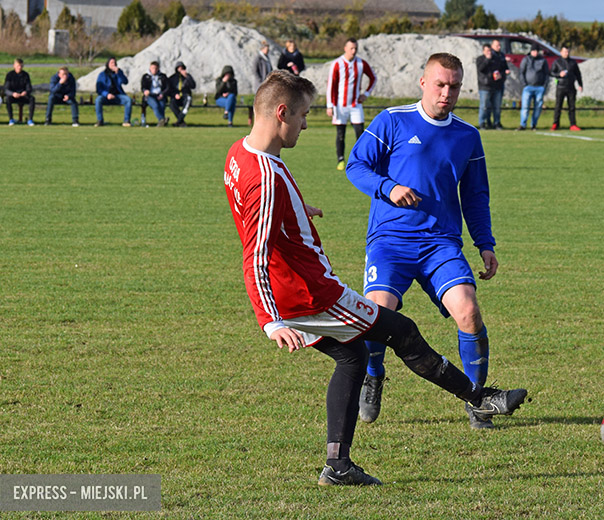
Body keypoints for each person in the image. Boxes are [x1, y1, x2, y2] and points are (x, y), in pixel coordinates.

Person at [223, 70, 529, 486]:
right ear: (281, 113)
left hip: (297, 289)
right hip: (310, 295)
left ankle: (338, 465)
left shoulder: (241, 154)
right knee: (402, 331)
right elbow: (255, 253)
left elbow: (250, 211)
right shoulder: (266, 178)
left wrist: (296, 211)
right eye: (304, 115)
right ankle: (481, 398)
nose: (307, 124)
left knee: (353, 357)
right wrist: (270, 320)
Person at [346, 53, 502, 430]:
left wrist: (485, 242)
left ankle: (476, 399)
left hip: (440, 244)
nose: (447, 93)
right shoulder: (392, 120)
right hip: (390, 241)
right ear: (423, 82)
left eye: (454, 86)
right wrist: (389, 187)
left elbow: (476, 196)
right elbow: (356, 166)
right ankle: (373, 374)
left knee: (468, 310)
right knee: (377, 313)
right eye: (440, 84)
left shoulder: (467, 135)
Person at [326, 38, 377, 170]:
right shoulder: (337, 64)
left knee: (360, 132)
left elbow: (373, 78)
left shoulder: (361, 64)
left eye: (355, 48)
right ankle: (340, 160)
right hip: (340, 105)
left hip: (355, 105)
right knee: (340, 134)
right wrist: (330, 105)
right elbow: (331, 85)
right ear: (345, 48)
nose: (354, 51)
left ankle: (360, 160)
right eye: (351, 48)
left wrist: (366, 94)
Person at [550, 45, 582, 131]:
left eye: (567, 51)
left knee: (572, 107)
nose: (566, 53)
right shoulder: (557, 62)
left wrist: (580, 84)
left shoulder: (573, 62)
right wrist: (559, 75)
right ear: (561, 52)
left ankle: (573, 124)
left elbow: (578, 74)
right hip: (560, 87)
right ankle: (555, 123)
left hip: (571, 87)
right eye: (564, 51)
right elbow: (551, 72)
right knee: (558, 106)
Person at [517, 44, 549, 130]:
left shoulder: (543, 60)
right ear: (531, 51)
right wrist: (524, 84)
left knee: (538, 107)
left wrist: (544, 86)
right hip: (528, 87)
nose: (535, 53)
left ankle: (533, 125)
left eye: (536, 51)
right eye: (533, 51)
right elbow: (521, 72)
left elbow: (546, 74)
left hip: (539, 88)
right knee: (525, 107)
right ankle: (523, 124)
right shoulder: (526, 60)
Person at [95, 57, 132, 127]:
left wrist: (119, 73)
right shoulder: (102, 75)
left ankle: (126, 121)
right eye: (111, 63)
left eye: (114, 63)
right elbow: (99, 89)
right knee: (98, 100)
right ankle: (100, 120)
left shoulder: (119, 73)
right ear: (108, 64)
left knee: (128, 100)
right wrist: (106, 94)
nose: (113, 64)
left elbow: (125, 82)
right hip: (106, 96)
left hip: (117, 96)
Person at [476, 44, 501, 129]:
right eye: (487, 51)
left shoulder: (496, 59)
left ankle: (496, 123)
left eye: (490, 51)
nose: (489, 52)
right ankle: (482, 123)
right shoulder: (480, 59)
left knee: (496, 107)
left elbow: (499, 69)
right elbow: (481, 69)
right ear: (483, 51)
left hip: (496, 86)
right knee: (484, 107)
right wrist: (487, 59)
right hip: (484, 86)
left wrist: (500, 75)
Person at [4, 58, 35, 126]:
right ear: (14, 66)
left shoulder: (25, 75)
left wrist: (26, 92)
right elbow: (6, 89)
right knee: (8, 99)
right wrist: (12, 93)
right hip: (13, 96)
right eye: (18, 66)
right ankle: (11, 119)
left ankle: (30, 120)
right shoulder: (10, 75)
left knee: (32, 99)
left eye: (21, 66)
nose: (19, 67)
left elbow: (29, 87)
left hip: (23, 96)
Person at [141, 61, 169, 127]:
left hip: (160, 95)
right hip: (149, 95)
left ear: (158, 68)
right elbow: (143, 87)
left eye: (156, 68)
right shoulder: (145, 76)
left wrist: (162, 94)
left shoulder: (163, 76)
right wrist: (145, 91)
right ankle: (162, 119)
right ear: (150, 68)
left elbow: (167, 87)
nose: (154, 70)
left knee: (162, 105)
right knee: (155, 105)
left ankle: (161, 123)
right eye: (153, 68)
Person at [168, 61, 196, 128]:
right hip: (176, 96)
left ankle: (179, 121)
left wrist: (187, 77)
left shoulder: (188, 76)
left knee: (187, 102)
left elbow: (193, 86)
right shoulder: (172, 78)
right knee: (172, 104)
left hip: (185, 96)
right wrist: (174, 94)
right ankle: (181, 122)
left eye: (182, 68)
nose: (180, 70)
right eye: (179, 68)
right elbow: (169, 89)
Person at [490, 39, 510, 129]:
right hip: (490, 85)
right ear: (492, 46)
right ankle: (486, 123)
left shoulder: (501, 55)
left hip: (499, 83)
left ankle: (497, 123)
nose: (499, 47)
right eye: (497, 45)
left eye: (500, 45)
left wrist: (505, 71)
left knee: (497, 105)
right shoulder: (490, 55)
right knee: (487, 106)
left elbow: (505, 67)